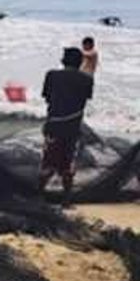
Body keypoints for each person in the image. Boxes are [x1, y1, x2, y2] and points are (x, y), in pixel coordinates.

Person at [40, 47, 94, 200]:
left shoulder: (51, 75)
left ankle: (39, 194)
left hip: (54, 125)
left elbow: (47, 97)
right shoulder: (87, 79)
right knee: (68, 163)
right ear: (80, 63)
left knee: (48, 162)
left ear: (63, 61)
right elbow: (84, 99)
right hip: (73, 127)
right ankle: (66, 199)